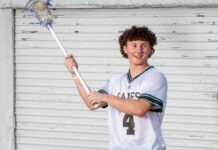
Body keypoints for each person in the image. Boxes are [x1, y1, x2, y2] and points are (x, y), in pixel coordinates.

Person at [65, 26, 168, 150]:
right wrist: (74, 74)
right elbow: (91, 103)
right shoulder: (115, 80)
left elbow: (140, 109)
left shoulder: (156, 77)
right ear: (125, 48)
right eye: (134, 45)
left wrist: (105, 97)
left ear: (151, 49)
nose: (139, 50)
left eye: (144, 45)